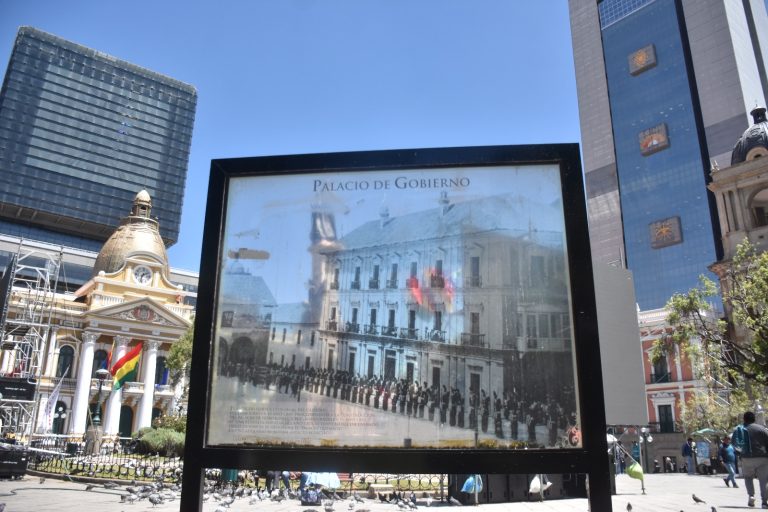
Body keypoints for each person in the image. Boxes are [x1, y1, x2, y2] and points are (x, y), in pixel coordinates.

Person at [736, 411, 768, 508]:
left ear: (744, 419)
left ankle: (751, 496)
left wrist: (740, 455)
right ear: (754, 419)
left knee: (748, 478)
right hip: (762, 457)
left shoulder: (740, 430)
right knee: (764, 480)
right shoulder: (762, 429)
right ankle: (764, 502)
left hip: (746, 458)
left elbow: (737, 445)